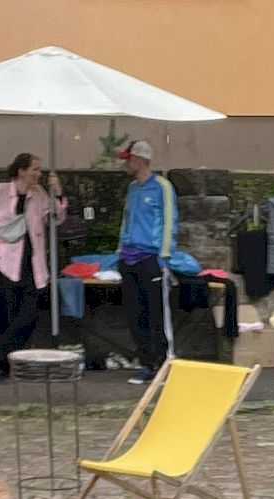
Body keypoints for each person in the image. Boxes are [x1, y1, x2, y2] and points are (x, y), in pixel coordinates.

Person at [0, 153, 67, 378]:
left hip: (33, 261)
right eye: (35, 169)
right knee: (6, 313)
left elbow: (57, 218)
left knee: (29, 314)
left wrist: (57, 192)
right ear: (21, 171)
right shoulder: (0, 191)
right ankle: (8, 366)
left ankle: (0, 356)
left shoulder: (40, 194)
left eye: (40, 170)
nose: (39, 174)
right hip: (5, 259)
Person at [115, 137, 177, 384]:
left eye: (129, 159)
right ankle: (146, 363)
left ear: (141, 159)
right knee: (135, 313)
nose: (126, 164)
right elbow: (126, 219)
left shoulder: (162, 186)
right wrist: (120, 249)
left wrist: (164, 257)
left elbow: (170, 221)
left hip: (151, 258)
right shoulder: (132, 189)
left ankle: (163, 363)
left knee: (156, 314)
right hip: (129, 258)